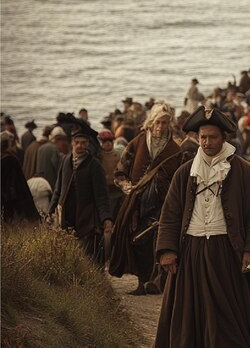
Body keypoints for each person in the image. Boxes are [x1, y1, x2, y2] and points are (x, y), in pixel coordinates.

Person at [148, 106, 250, 348]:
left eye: (212, 137)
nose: (206, 142)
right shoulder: (186, 173)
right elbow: (169, 214)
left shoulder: (246, 173)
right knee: (188, 319)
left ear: (224, 137)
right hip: (191, 253)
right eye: (202, 137)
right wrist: (168, 250)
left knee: (223, 317)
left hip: (226, 253)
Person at [109, 101, 182, 295]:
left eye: (165, 123)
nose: (160, 127)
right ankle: (142, 282)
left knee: (159, 241)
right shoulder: (138, 142)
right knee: (137, 241)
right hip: (137, 203)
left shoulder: (175, 150)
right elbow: (121, 169)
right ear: (150, 122)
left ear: (169, 124)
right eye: (158, 122)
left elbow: (179, 180)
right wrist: (126, 185)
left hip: (163, 204)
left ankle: (156, 281)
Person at [48, 129, 113, 263]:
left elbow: (102, 195)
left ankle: (91, 279)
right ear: (72, 143)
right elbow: (58, 188)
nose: (80, 145)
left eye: (83, 143)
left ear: (88, 144)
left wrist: (106, 218)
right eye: (77, 142)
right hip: (66, 213)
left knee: (88, 252)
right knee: (67, 249)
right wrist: (51, 209)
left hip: (86, 215)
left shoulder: (95, 165)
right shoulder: (65, 161)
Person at [1, 131, 40, 223]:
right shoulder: (11, 160)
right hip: (11, 205)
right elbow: (21, 186)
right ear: (8, 144)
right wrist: (33, 214)